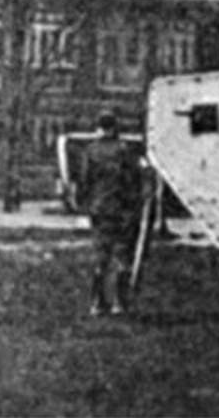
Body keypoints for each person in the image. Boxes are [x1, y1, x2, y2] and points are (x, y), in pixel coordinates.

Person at [79, 109, 142, 316]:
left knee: (101, 256)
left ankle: (97, 303)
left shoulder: (91, 150)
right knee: (122, 256)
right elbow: (133, 180)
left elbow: (85, 180)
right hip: (122, 208)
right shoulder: (124, 150)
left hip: (99, 209)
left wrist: (87, 202)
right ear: (115, 127)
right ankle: (119, 303)